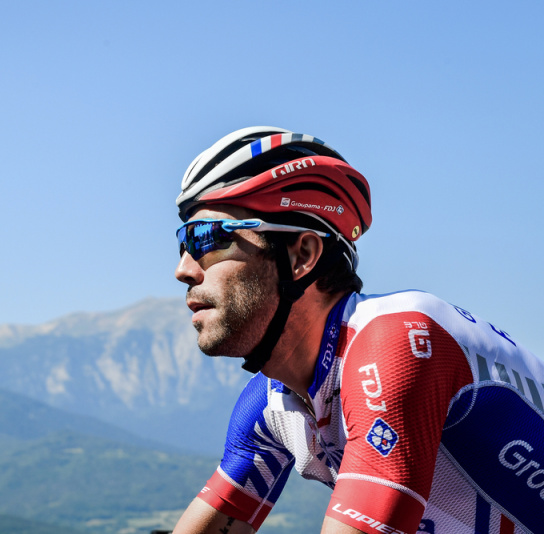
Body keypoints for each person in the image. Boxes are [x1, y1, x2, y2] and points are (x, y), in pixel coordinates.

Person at [170, 126, 544, 534]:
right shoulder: (272, 400)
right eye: (182, 243)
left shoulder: (398, 343)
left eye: (206, 238)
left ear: (302, 255)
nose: (183, 269)